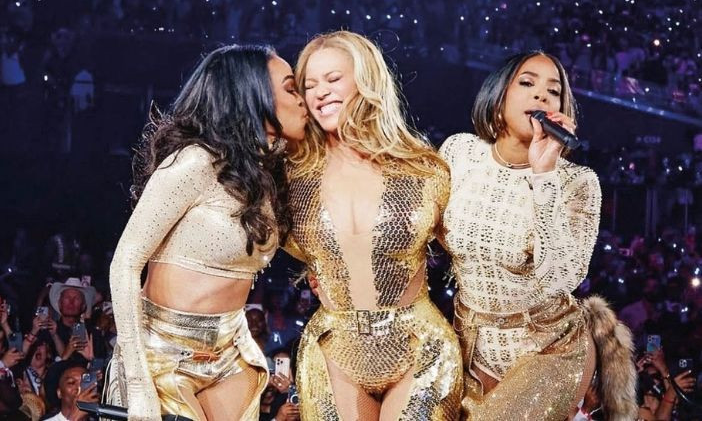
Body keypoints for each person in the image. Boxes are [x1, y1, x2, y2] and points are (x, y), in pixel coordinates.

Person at [107, 44, 307, 420]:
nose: (304, 100)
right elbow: (124, 265)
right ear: (252, 94)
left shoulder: (269, 173)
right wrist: (138, 383)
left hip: (231, 352)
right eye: (291, 89)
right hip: (163, 352)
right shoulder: (195, 162)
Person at [438, 51, 637, 420]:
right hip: (469, 343)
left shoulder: (577, 182)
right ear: (498, 96)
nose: (542, 95)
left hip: (548, 348)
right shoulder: (460, 152)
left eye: (554, 91)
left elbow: (562, 279)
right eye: (527, 83)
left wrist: (544, 174)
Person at [286, 31, 462, 420]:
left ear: (366, 81)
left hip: (419, 347)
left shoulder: (424, 169)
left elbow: (471, 253)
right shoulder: (291, 176)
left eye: (333, 79)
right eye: (309, 85)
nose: (320, 93)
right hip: (334, 348)